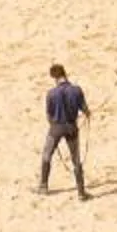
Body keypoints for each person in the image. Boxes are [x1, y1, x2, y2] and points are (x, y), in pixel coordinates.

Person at [38, 63, 89, 199]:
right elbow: (85, 109)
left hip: (56, 128)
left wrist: (53, 125)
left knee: (46, 155)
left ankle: (43, 186)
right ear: (65, 74)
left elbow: (49, 115)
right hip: (72, 127)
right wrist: (88, 114)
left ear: (54, 77)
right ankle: (81, 192)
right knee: (76, 159)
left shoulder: (51, 94)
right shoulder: (77, 90)